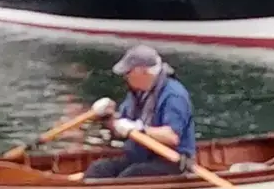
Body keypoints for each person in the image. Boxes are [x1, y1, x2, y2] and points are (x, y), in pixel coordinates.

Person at [83, 44, 196, 180]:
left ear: (142, 71)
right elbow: (123, 126)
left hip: (172, 161)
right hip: (139, 156)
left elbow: (171, 136)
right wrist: (108, 117)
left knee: (130, 176)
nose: (125, 77)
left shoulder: (174, 95)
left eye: (128, 73)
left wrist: (140, 129)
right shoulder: (137, 93)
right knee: (98, 169)